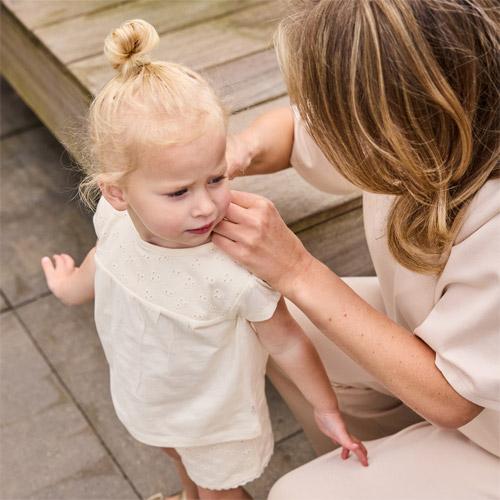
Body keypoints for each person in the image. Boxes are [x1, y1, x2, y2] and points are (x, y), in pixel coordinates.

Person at [40, 19, 368, 500]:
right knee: (175, 457)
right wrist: (71, 287)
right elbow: (104, 258)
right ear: (117, 193)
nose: (205, 207)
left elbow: (287, 342)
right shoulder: (113, 221)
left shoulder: (234, 266)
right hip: (149, 396)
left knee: (219, 491)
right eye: (179, 192)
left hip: (214, 423)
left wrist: (325, 408)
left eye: (215, 179)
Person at [213, 0, 500, 498]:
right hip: (449, 364)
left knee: (294, 495)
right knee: (264, 323)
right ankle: (387, 453)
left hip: (479, 418)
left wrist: (297, 269)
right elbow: (294, 129)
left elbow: (454, 398)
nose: (330, 131)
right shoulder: (428, 122)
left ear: (398, 119)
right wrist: (236, 151)